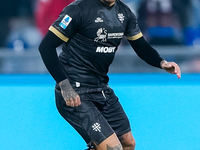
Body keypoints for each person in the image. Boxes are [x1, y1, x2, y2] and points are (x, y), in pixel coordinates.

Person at [38, 0, 181, 149]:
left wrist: (162, 63)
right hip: (75, 89)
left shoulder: (125, 13)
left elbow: (141, 46)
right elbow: (46, 46)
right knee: (112, 148)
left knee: (128, 143)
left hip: (101, 88)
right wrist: (65, 86)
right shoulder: (77, 10)